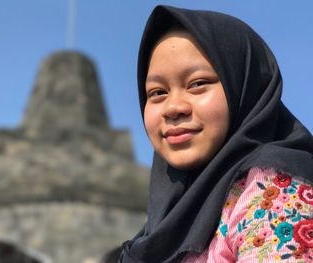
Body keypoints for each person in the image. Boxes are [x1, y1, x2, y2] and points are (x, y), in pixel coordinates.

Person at [119, 5, 313, 263]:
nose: (174, 108)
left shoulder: (274, 190)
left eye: (197, 84)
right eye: (157, 93)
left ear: (243, 88)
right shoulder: (165, 224)